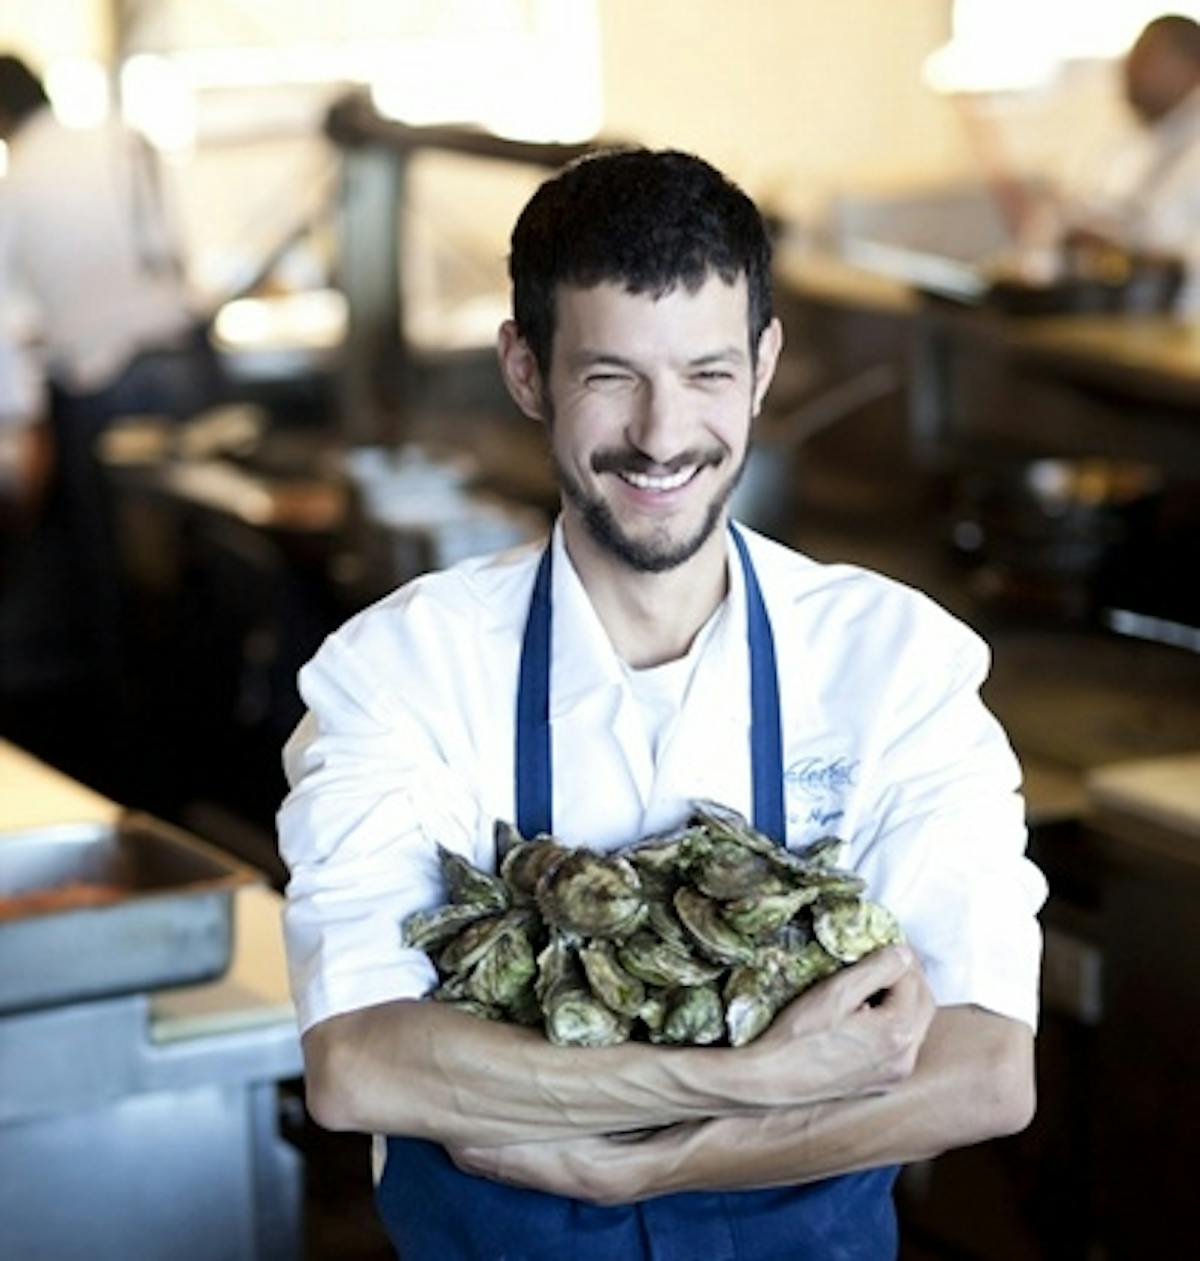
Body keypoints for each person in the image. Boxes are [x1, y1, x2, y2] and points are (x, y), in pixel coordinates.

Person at [278, 147, 1046, 1260]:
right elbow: (360, 1063)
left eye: (706, 373)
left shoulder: (896, 662)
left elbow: (984, 1070)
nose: (661, 432)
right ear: (527, 371)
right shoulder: (400, 671)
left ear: (765, 364)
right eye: (609, 376)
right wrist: (752, 1079)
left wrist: (667, 1155)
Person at [0, 53, 223, 788]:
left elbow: (15, 330)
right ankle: (214, 740)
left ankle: (141, 761)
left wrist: (23, 435)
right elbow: (181, 250)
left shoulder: (16, 183)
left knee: (121, 587)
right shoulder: (121, 141)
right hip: (185, 366)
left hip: (98, 394)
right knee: (199, 555)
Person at [1059, 14, 1200, 311]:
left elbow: (1176, 256)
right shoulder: (1140, 141)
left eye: (1146, 59)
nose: (1128, 72)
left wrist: (1128, 254)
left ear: (1191, 67)